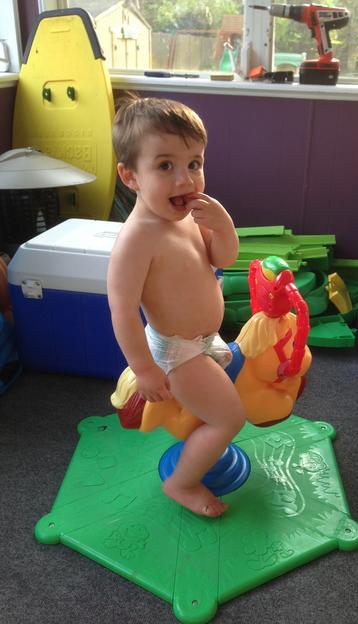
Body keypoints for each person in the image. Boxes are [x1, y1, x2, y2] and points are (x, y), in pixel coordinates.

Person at [107, 95, 246, 518]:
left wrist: (223, 226)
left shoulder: (185, 217)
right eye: (165, 166)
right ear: (130, 176)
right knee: (229, 419)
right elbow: (122, 310)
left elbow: (222, 258)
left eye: (194, 163)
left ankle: (199, 440)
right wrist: (145, 369)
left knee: (228, 390)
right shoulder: (137, 239)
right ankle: (181, 484)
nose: (185, 180)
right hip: (177, 354)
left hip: (204, 340)